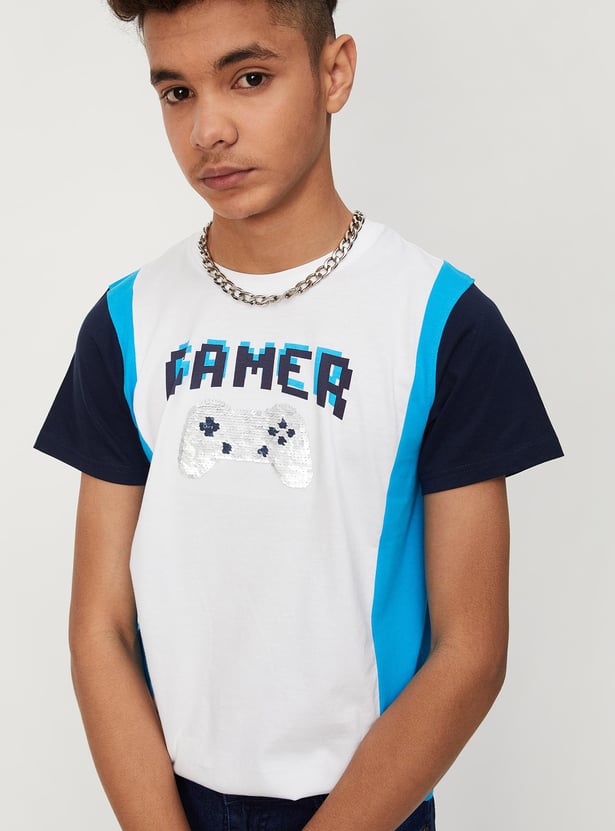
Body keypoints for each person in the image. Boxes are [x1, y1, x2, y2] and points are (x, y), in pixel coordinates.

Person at [35, 1, 563, 829]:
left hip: (368, 804)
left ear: (333, 72)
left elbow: (470, 651)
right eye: (176, 92)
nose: (208, 129)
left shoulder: (441, 321)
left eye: (249, 78)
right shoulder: (127, 320)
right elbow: (99, 623)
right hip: (170, 801)